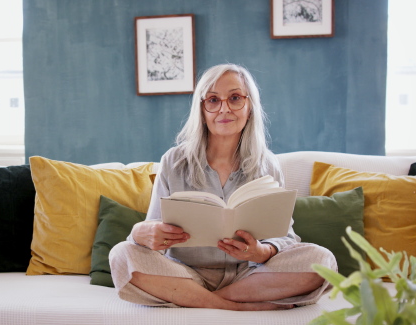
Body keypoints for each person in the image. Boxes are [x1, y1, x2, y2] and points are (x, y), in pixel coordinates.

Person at [109, 64, 337, 311]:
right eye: (213, 100)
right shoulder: (174, 161)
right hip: (185, 274)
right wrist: (139, 232)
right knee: (121, 254)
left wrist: (261, 252)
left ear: (249, 108)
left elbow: (285, 237)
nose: (224, 108)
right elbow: (151, 232)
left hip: (250, 276)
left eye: (235, 98)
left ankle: (196, 300)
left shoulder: (268, 164)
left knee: (322, 260)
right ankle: (234, 307)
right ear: (202, 110)